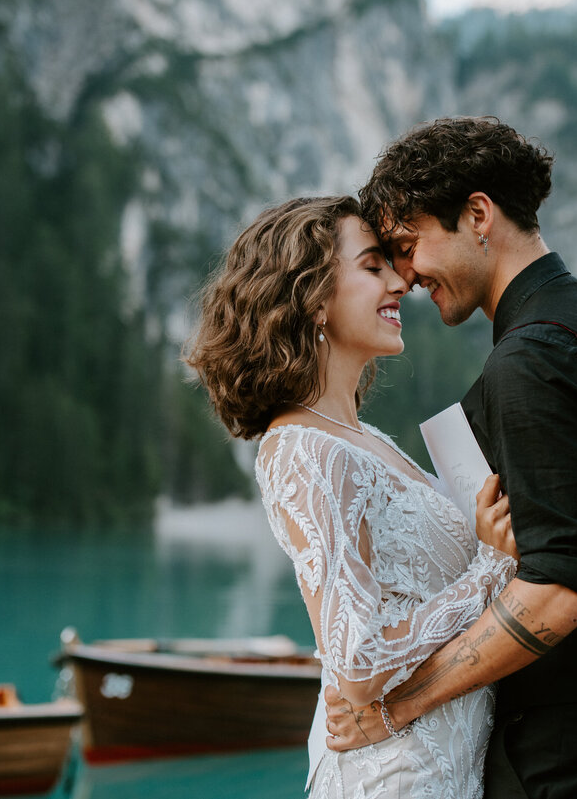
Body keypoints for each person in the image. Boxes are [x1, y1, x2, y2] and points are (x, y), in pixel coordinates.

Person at [324, 117, 577, 799]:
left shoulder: (531, 359)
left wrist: (399, 705)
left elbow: (565, 582)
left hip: (567, 739)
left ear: (477, 214)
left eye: (408, 245)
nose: (405, 275)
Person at [185, 195, 521, 799]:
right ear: (313, 295)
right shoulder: (304, 450)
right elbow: (358, 663)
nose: (400, 281)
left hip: (442, 768)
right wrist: (491, 572)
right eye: (373, 267)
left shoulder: (364, 438)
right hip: (394, 776)